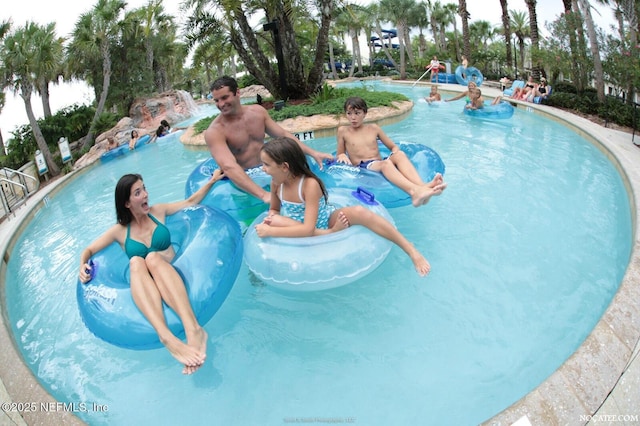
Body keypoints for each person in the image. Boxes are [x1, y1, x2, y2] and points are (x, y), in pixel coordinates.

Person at [78, 169, 224, 375]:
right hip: (148, 286)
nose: (145, 194)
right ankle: (166, 337)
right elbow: (89, 250)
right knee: (136, 261)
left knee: (152, 258)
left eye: (144, 189)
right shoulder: (119, 231)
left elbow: (191, 201)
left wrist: (212, 181)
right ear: (126, 203)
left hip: (172, 273)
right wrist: (82, 264)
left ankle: (194, 330)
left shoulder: (158, 211)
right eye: (138, 193)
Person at [255, 137, 433, 276]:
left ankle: (410, 250)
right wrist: (272, 216)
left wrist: (270, 231)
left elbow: (308, 228)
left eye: (266, 165)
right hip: (295, 225)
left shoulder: (309, 185)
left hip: (322, 221)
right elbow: (275, 209)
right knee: (276, 219)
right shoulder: (276, 183)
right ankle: (330, 233)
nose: (263, 169)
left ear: (285, 167)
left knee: (360, 212)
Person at [204, 76, 333, 204]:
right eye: (216, 100)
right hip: (245, 180)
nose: (221, 104)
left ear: (237, 92)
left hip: (267, 171)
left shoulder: (258, 113)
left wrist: (314, 153)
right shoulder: (215, 132)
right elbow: (229, 166)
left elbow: (283, 135)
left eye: (225, 97)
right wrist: (263, 195)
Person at [336, 97, 447, 207]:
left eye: (357, 113)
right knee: (386, 164)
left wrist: (394, 153)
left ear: (365, 113)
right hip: (363, 167)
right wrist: (342, 155)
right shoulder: (343, 131)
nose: (353, 117)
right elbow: (340, 153)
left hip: (379, 162)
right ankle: (414, 192)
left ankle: (423, 187)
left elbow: (393, 147)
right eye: (349, 113)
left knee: (400, 155)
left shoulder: (374, 128)